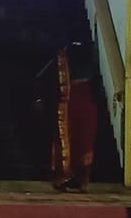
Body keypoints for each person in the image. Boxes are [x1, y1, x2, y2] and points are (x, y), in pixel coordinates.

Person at [35, 42, 98, 192]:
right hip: (72, 104)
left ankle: (80, 180)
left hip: (83, 103)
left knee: (83, 143)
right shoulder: (63, 58)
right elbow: (42, 79)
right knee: (71, 142)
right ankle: (67, 178)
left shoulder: (88, 58)